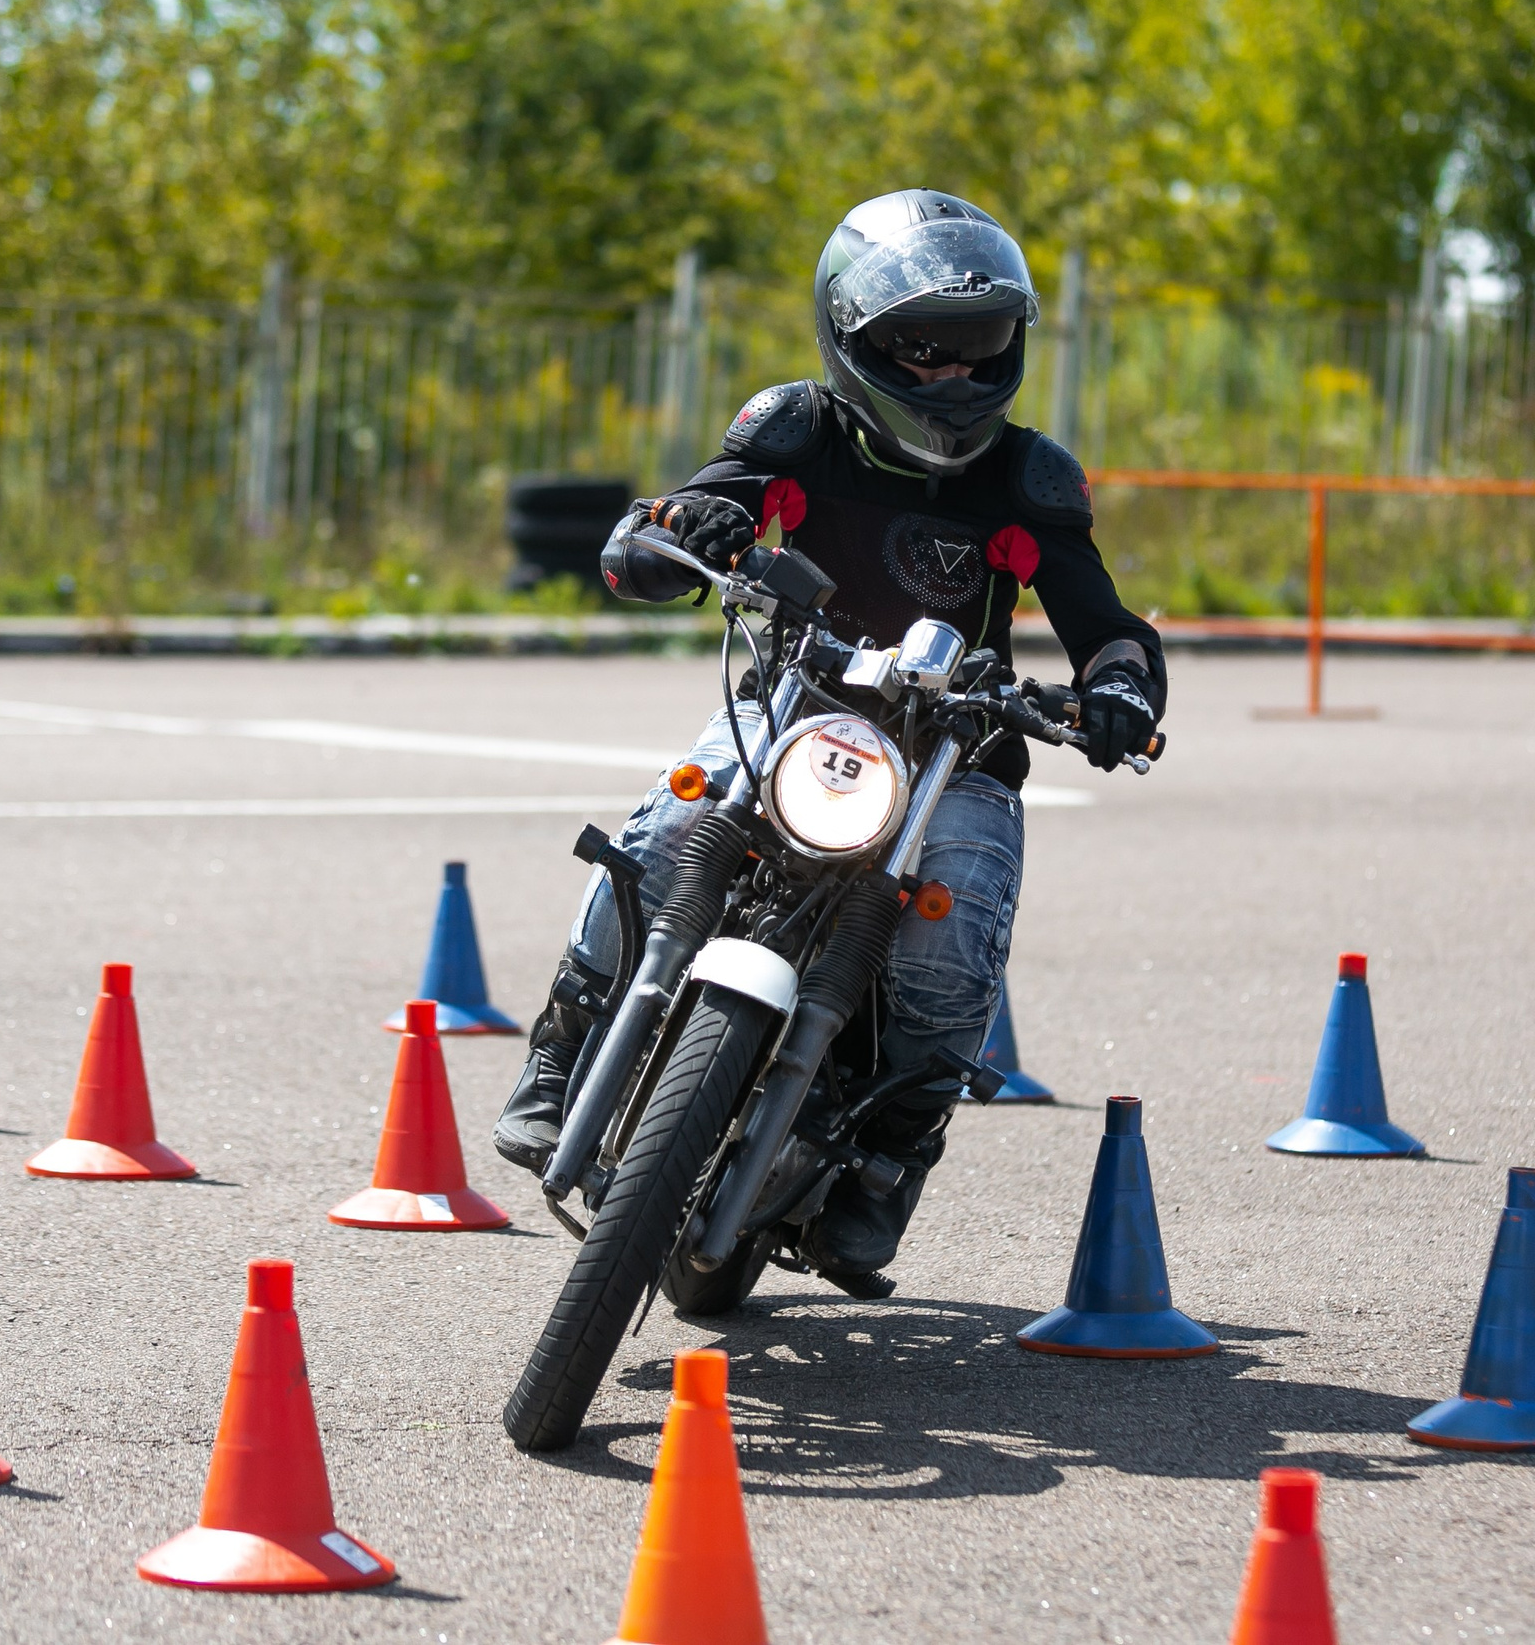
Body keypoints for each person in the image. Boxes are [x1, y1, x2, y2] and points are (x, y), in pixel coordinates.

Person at [493, 189, 1165, 1298]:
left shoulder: (1028, 478)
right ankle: (563, 1044)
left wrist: (1118, 689)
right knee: (666, 830)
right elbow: (685, 516)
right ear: (855, 338)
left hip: (955, 755)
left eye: (978, 344)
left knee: (954, 935)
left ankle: (894, 1152)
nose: (954, 372)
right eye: (924, 347)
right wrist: (687, 529)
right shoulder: (797, 429)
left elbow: (1105, 623)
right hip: (793, 709)